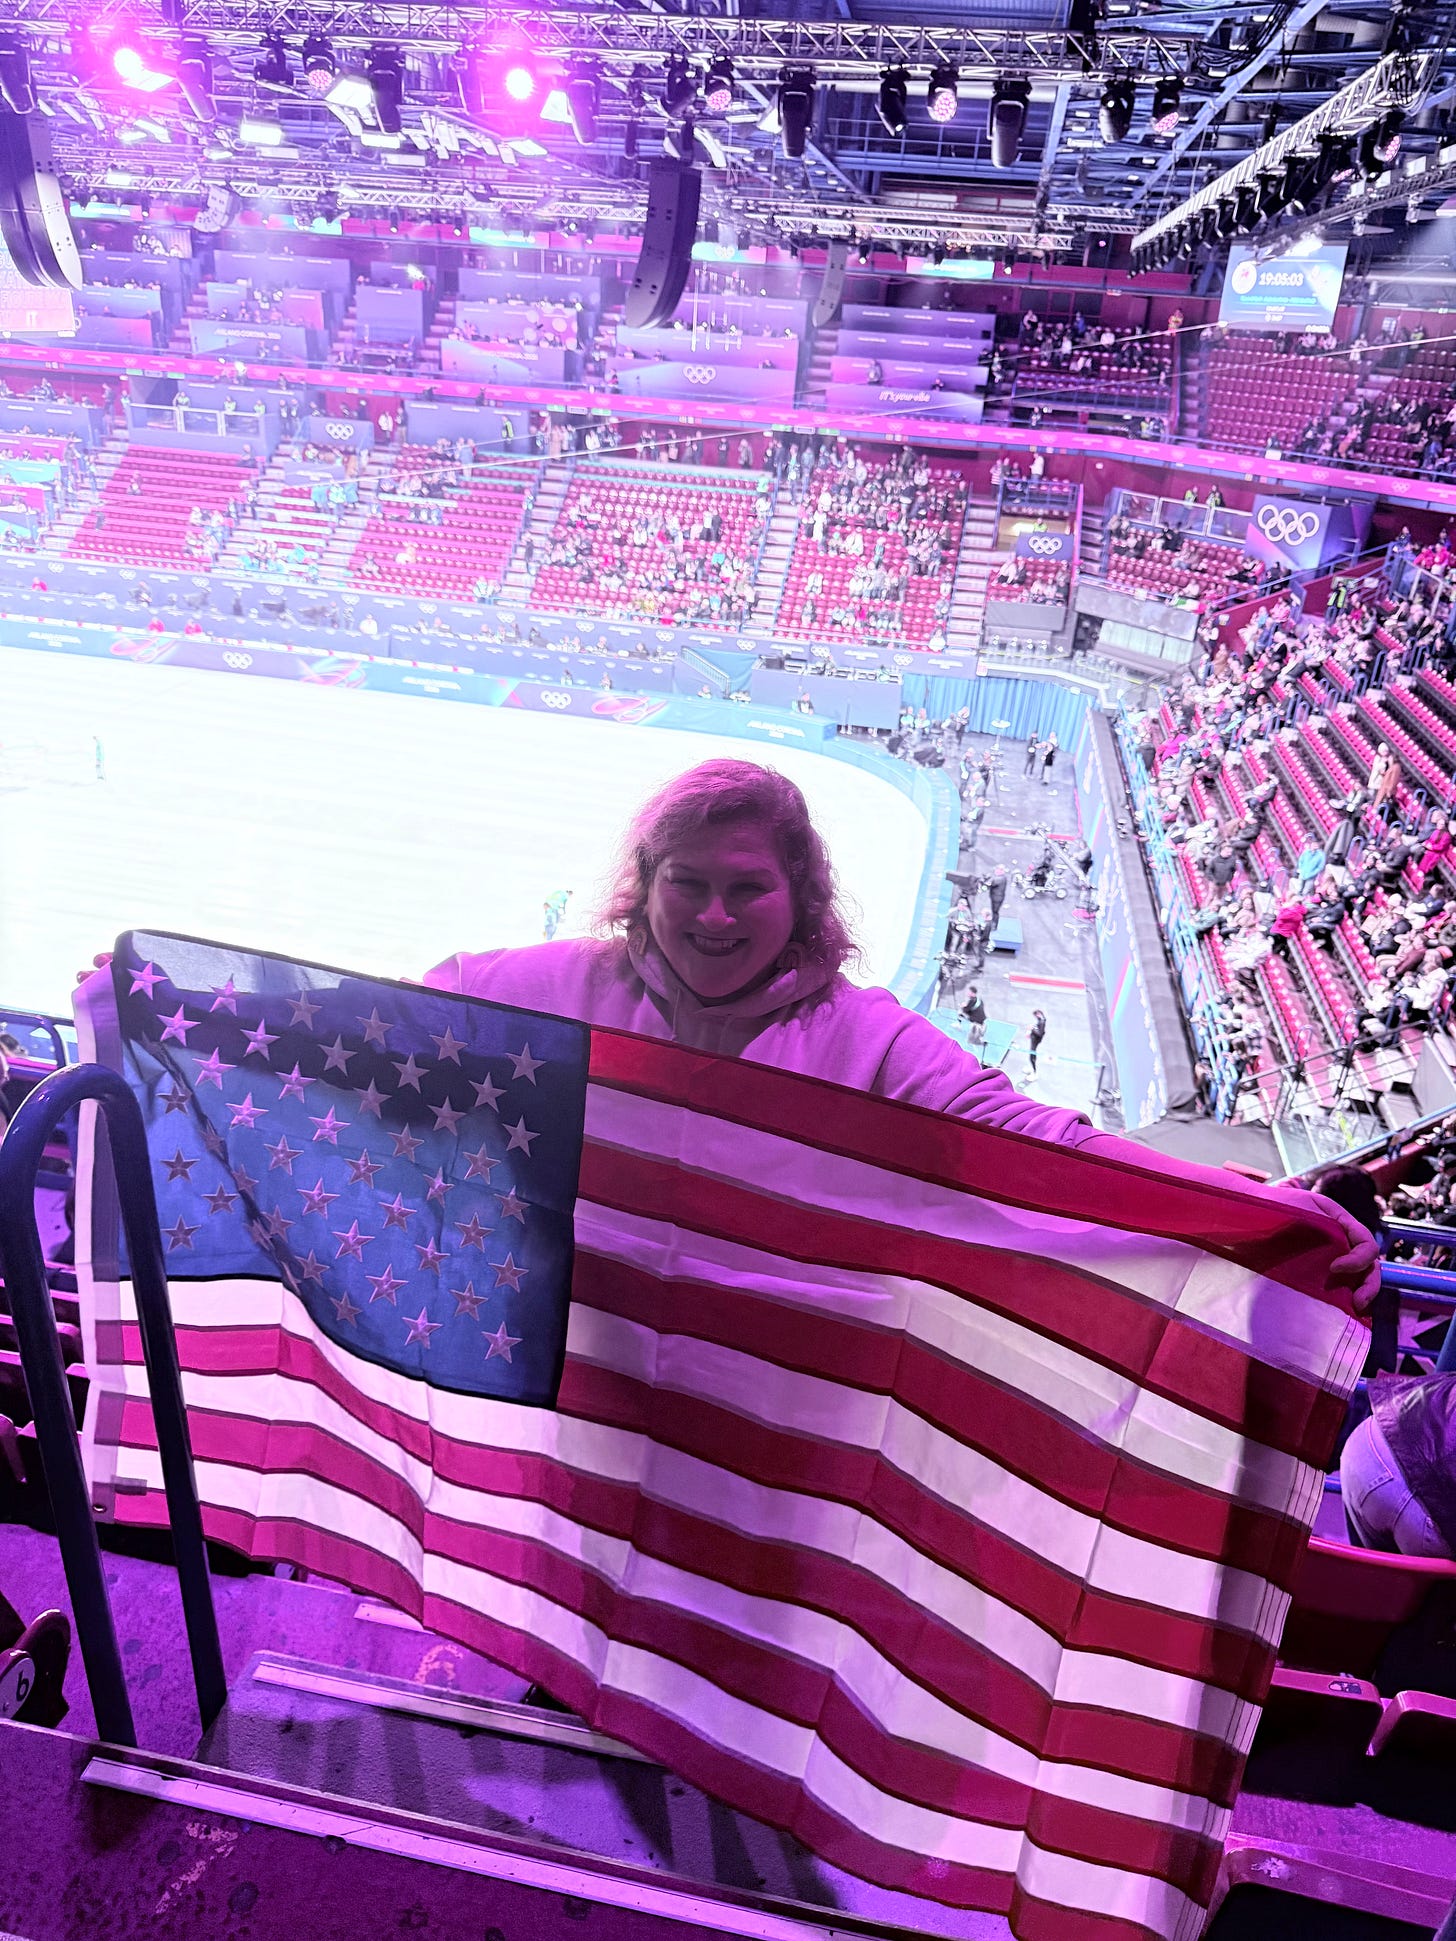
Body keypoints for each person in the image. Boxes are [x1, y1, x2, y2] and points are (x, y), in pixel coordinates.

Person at [424, 761, 1378, 1307]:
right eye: (689, 881)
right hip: (580, 1371)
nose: (715, 913)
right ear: (648, 880)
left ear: (800, 898)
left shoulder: (870, 1043)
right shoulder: (557, 985)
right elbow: (407, 1018)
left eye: (747, 885)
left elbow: (1049, 1150)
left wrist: (1269, 1211)